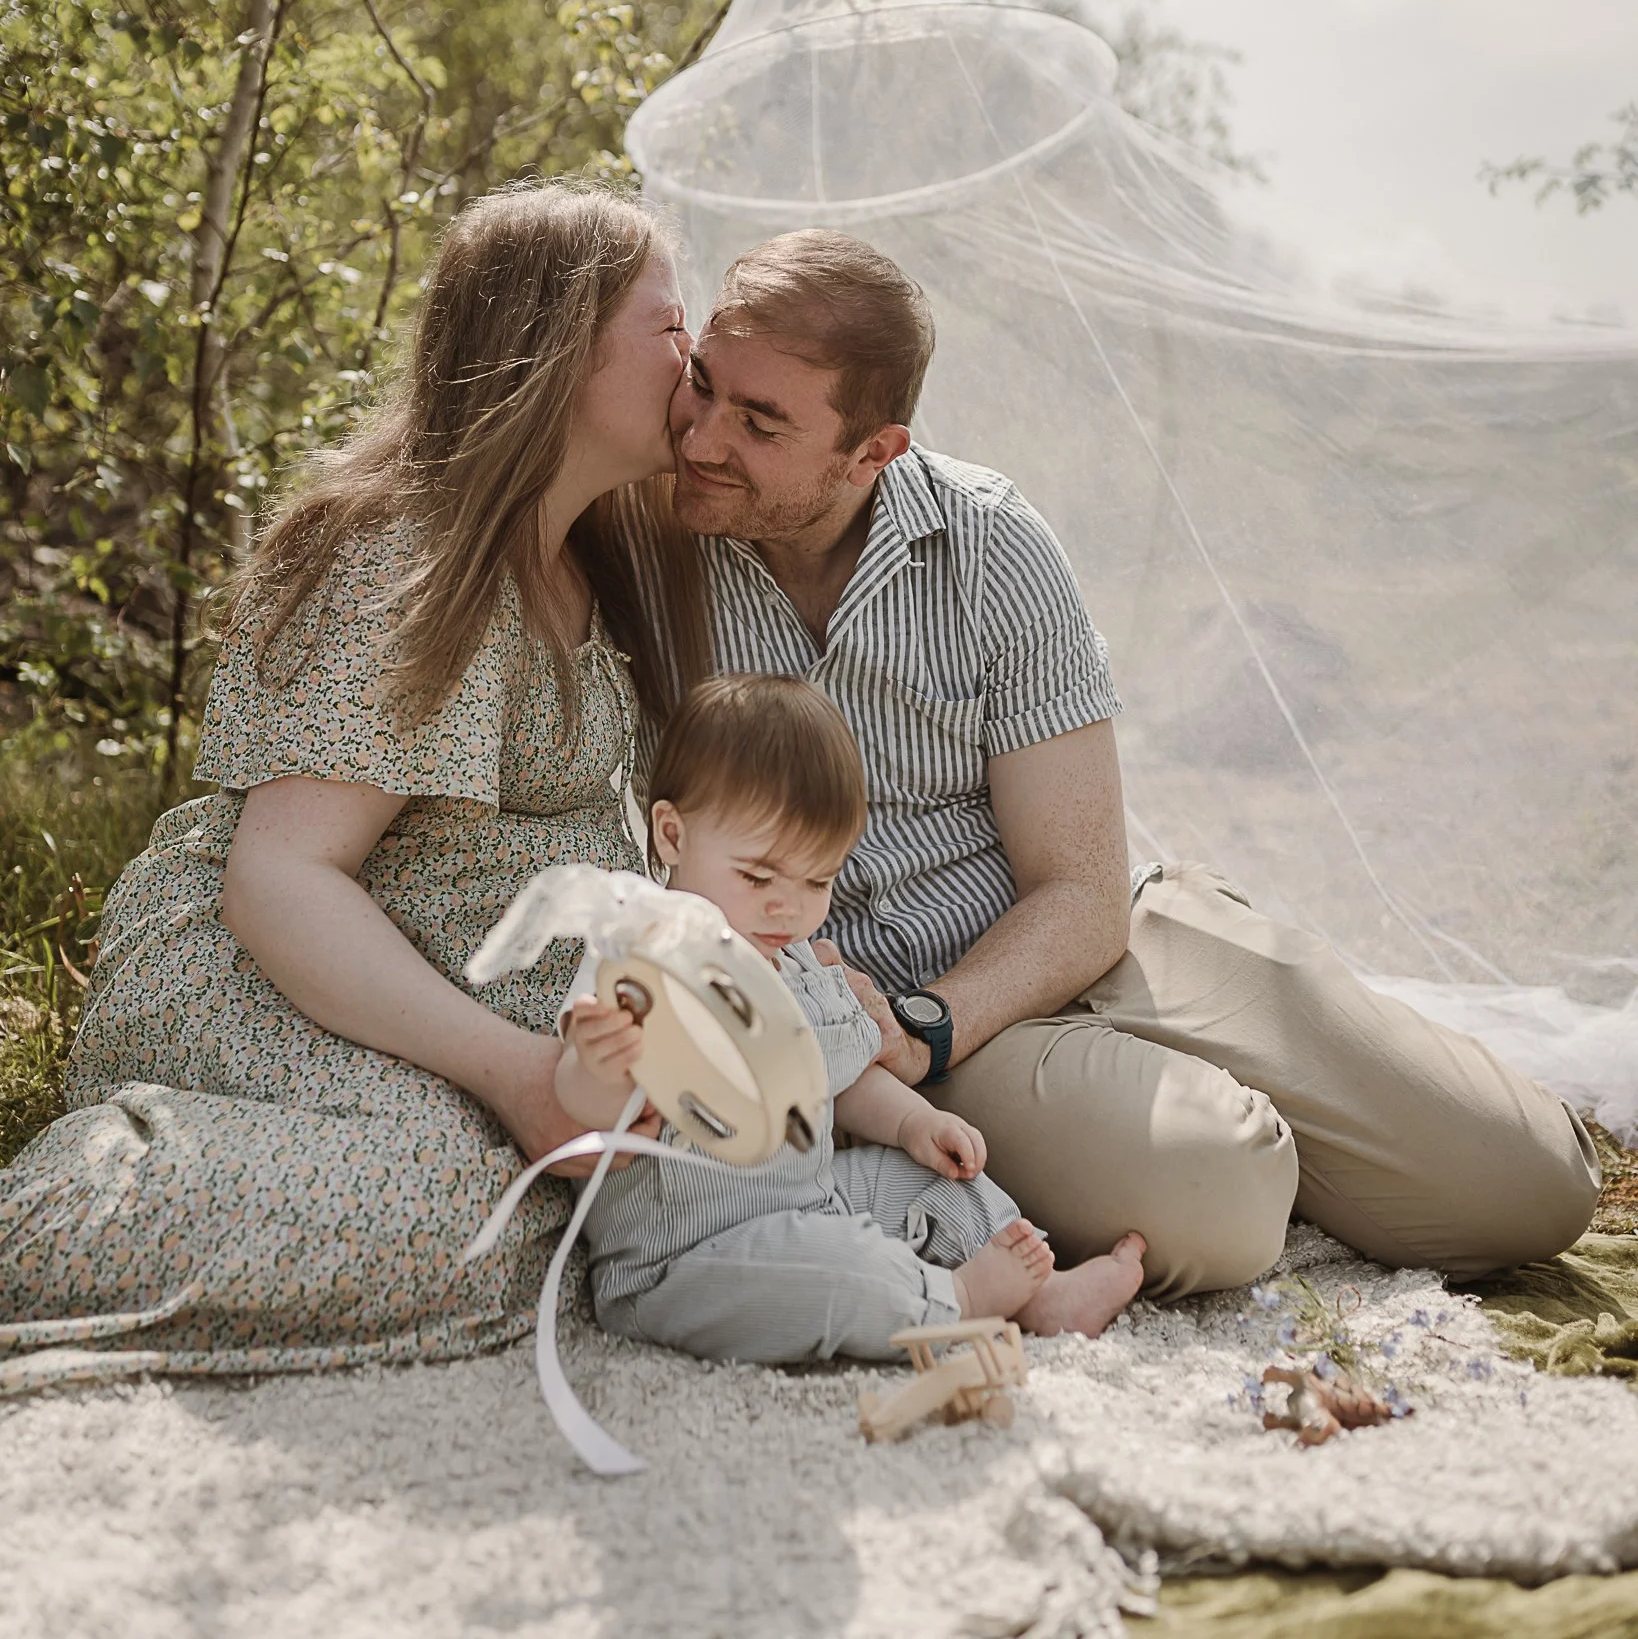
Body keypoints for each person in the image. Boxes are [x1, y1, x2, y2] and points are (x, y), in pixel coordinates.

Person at [658, 227, 1603, 1300]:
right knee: (1227, 1196)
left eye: (760, 421)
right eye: (703, 385)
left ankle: (1227, 1091)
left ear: (876, 451)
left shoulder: (991, 543)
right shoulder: (650, 551)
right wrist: (917, 1035)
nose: (700, 437)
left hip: (1102, 939)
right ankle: (1181, 1130)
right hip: (943, 1051)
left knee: (1533, 1185)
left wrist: (932, 1019)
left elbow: (1081, 886)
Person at [0, 181, 709, 1391]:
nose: (695, 357)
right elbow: (280, 877)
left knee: (622, 1194)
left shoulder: (595, 560)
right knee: (455, 1203)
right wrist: (514, 1074)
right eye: (668, 324)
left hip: (431, 1010)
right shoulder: (407, 557)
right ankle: (68, 1207)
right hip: (260, 981)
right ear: (558, 347)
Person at [557, 671, 1147, 1362]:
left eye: (818, 881)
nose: (789, 907)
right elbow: (576, 1103)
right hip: (688, 1257)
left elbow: (839, 1074)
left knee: (931, 1182)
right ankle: (954, 1302)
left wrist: (913, 1122)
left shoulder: (798, 961)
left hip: (812, 1200)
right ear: (672, 835)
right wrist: (599, 1065)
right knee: (831, 1273)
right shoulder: (638, 958)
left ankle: (1041, 1291)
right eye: (757, 877)